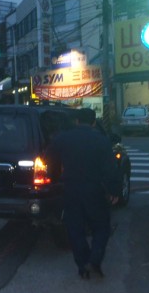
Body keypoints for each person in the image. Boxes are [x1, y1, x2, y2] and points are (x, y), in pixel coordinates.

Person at [46, 108, 121, 280]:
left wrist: (55, 177)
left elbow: (50, 159)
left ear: (76, 121)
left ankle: (83, 264)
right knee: (101, 227)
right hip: (95, 190)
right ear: (94, 122)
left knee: (75, 229)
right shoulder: (101, 141)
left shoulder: (63, 139)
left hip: (71, 189)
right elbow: (110, 169)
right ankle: (94, 260)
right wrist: (114, 190)